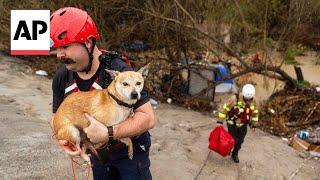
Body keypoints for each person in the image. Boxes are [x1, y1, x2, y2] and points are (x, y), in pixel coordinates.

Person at [49, 7, 155, 179]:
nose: (59, 55)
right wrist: (64, 139)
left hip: (129, 152)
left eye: (66, 47)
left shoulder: (120, 71)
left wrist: (109, 133)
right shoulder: (62, 77)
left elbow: (148, 117)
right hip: (98, 155)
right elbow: (56, 116)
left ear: (88, 42)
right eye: (57, 49)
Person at [216, 84, 259, 163]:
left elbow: (255, 113)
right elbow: (224, 109)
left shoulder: (254, 101)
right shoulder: (235, 98)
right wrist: (220, 121)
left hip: (243, 124)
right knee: (234, 140)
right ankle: (228, 148)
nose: (248, 99)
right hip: (232, 123)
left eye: (250, 98)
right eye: (246, 98)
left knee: (240, 141)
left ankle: (235, 154)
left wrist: (254, 125)